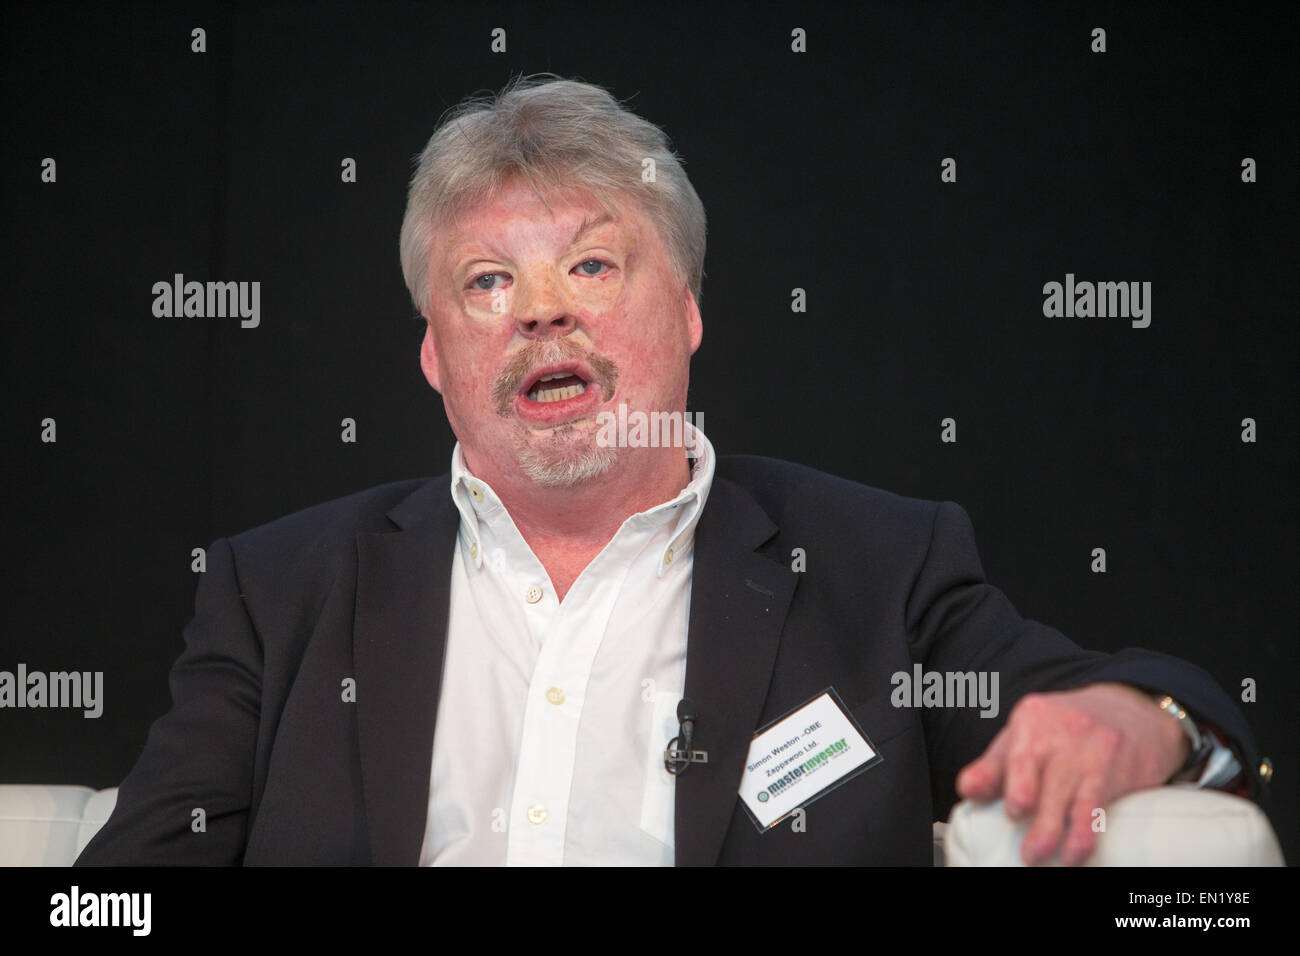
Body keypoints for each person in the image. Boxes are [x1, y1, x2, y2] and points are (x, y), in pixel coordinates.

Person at [76, 74, 1261, 867]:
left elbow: (1140, 704)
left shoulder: (875, 565)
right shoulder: (281, 587)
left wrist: (1136, 720)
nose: (543, 311)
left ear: (687, 313)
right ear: (435, 352)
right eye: (489, 281)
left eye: (593, 266)